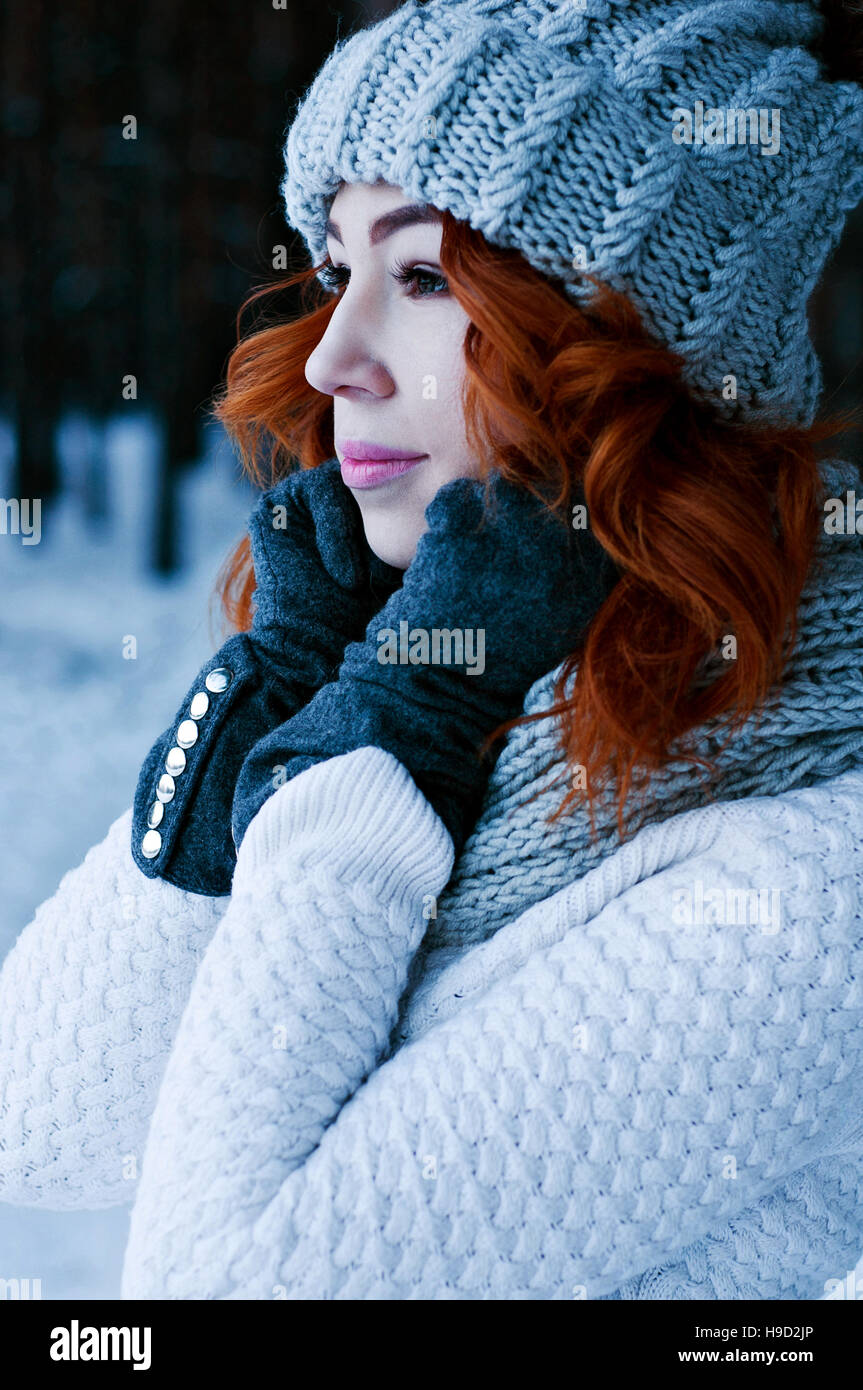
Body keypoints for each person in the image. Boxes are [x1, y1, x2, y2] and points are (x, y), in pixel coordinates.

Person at [2, 0, 863, 1301]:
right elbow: (38, 1116)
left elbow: (210, 1289)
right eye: (335, 268)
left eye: (422, 279)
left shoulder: (807, 885)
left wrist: (387, 732)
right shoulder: (485, 695)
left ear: (629, 356)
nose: (337, 354)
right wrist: (290, 690)